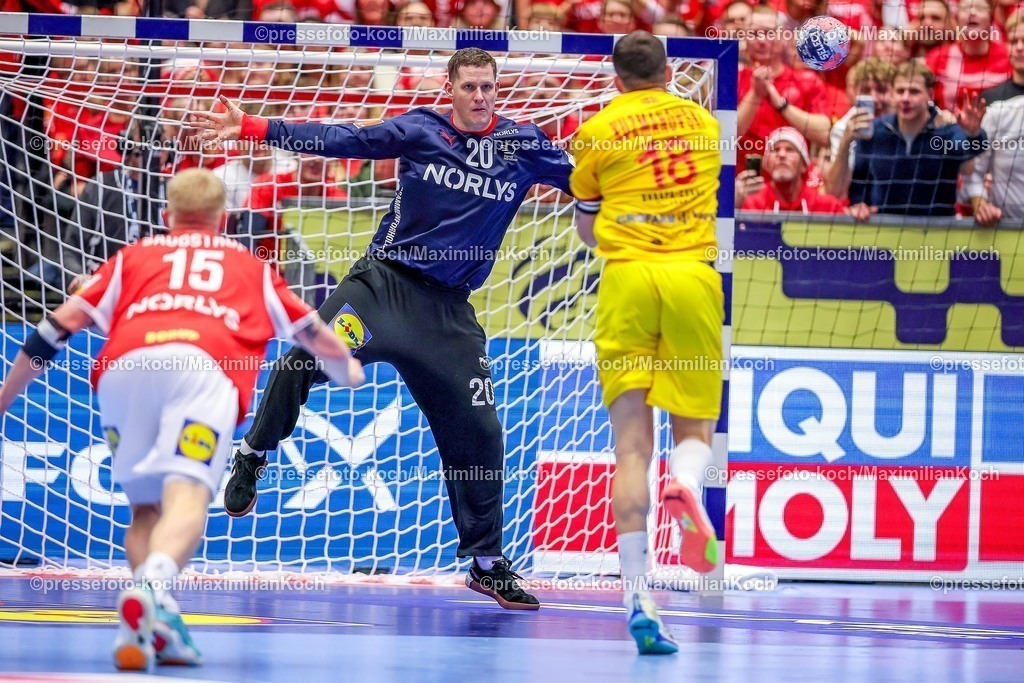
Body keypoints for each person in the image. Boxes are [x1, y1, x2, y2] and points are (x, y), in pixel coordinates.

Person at [190, 47, 574, 610]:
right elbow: (343, 139)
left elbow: (591, 182)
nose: (479, 97)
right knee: (302, 358)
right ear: (450, 88)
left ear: (498, 88)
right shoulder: (420, 129)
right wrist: (252, 126)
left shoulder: (523, 146)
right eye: (468, 87)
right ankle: (253, 451)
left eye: (487, 87)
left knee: (482, 434)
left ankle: (488, 564)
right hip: (382, 289)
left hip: (448, 314)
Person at [0, 169, 364, 670]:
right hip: (203, 369)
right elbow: (311, 330)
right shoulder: (249, 265)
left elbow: (56, 327)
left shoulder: (132, 258)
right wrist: (346, 367)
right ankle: (149, 588)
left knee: (146, 512)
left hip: (123, 372)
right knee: (187, 495)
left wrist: (4, 396)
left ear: (167, 215)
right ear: (225, 218)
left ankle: (152, 621)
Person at [569, 30, 722, 655]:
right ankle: (684, 479)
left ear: (615, 78)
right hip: (691, 279)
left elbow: (586, 228)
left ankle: (639, 596)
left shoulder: (597, 131)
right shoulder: (707, 126)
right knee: (694, 434)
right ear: (668, 72)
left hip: (627, 282)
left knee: (630, 448)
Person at [848, 61, 987, 219]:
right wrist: (858, 204)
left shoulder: (946, 130)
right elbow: (859, 179)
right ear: (892, 93)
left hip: (937, 232)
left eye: (914, 92)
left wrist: (972, 134)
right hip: (883, 231)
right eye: (900, 91)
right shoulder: (876, 130)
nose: (906, 98)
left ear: (930, 95)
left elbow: (967, 168)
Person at [740, 127, 848, 214]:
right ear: (767, 165)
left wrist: (856, 216)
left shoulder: (827, 207)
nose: (781, 155)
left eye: (790, 150)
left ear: (804, 165)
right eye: (775, 150)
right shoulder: (752, 205)